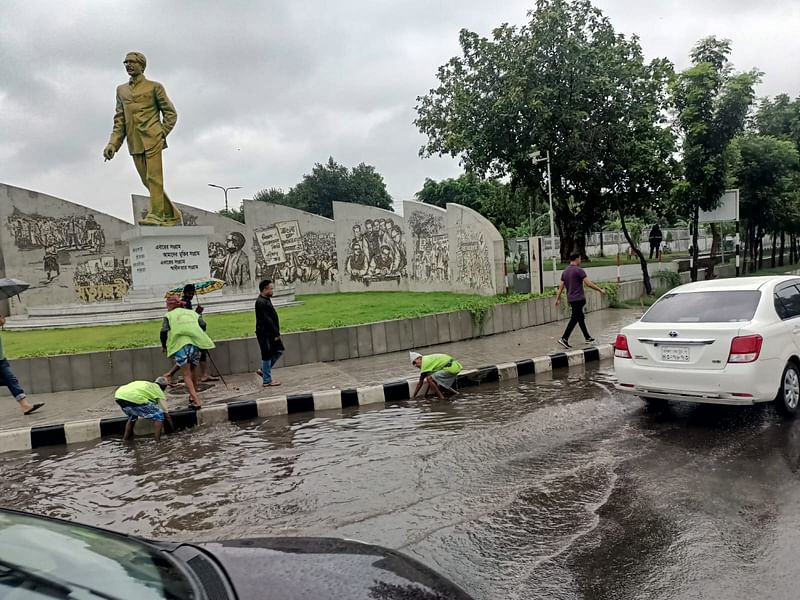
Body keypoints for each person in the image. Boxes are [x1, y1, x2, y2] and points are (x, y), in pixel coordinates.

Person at [103, 51, 182, 226]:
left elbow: (170, 113)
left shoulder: (155, 87)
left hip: (153, 138)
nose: (128, 65)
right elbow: (120, 120)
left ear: (142, 65)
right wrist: (112, 144)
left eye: (132, 62)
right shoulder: (121, 90)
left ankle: (157, 214)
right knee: (146, 179)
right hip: (134, 140)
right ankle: (172, 214)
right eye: (126, 62)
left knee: (154, 177)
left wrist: (161, 133)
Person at [160, 296, 215, 408]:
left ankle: (196, 400)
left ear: (171, 305)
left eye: (167, 304)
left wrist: (163, 345)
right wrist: (199, 331)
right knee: (193, 370)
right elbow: (203, 325)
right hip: (195, 344)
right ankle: (192, 396)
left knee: (186, 374)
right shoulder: (191, 313)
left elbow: (164, 331)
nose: (166, 307)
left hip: (181, 344)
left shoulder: (169, 315)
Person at [162, 285, 218, 385]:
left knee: (193, 355)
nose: (191, 295)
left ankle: (200, 376)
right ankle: (174, 375)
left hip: (190, 334)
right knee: (192, 356)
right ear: (184, 293)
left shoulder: (187, 302)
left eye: (192, 293)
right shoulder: (184, 303)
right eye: (189, 293)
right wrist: (198, 313)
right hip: (190, 335)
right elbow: (189, 317)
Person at [555, 252, 606, 349]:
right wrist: (600, 290)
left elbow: (561, 287)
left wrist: (557, 299)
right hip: (578, 299)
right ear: (577, 259)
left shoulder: (565, 272)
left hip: (571, 299)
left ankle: (587, 337)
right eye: (580, 258)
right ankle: (564, 338)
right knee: (575, 318)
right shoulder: (579, 270)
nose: (581, 260)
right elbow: (589, 284)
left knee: (580, 317)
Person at [0, 316, 44, 415]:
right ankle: (25, 405)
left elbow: (1, 322)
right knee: (10, 380)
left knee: (11, 380)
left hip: (1, 359)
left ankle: (25, 406)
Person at [114, 377, 174, 441]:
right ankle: (158, 441)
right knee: (159, 415)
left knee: (132, 416)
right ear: (164, 387)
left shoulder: (147, 384)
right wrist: (173, 431)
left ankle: (125, 439)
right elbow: (166, 415)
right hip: (134, 397)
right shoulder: (159, 392)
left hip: (119, 396)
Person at [255, 279, 284, 387]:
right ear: (265, 289)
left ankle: (263, 370)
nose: (272, 291)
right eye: (271, 289)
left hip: (270, 333)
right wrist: (276, 334)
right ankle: (267, 380)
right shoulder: (261, 302)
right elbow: (267, 320)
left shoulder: (266, 299)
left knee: (279, 350)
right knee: (266, 355)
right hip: (265, 334)